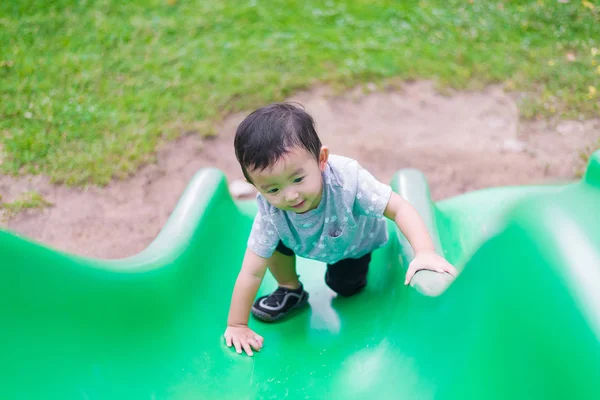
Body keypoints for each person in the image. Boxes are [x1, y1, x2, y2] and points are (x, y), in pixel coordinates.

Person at [224, 103, 456, 356]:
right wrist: (236, 324)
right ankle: (290, 289)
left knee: (345, 287)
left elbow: (399, 208)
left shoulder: (348, 181)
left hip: (352, 243)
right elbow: (251, 272)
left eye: (298, 179)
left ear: (321, 160)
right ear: (255, 185)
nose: (290, 196)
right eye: (272, 189)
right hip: (299, 240)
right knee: (271, 244)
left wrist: (424, 251)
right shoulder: (271, 211)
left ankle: (348, 275)